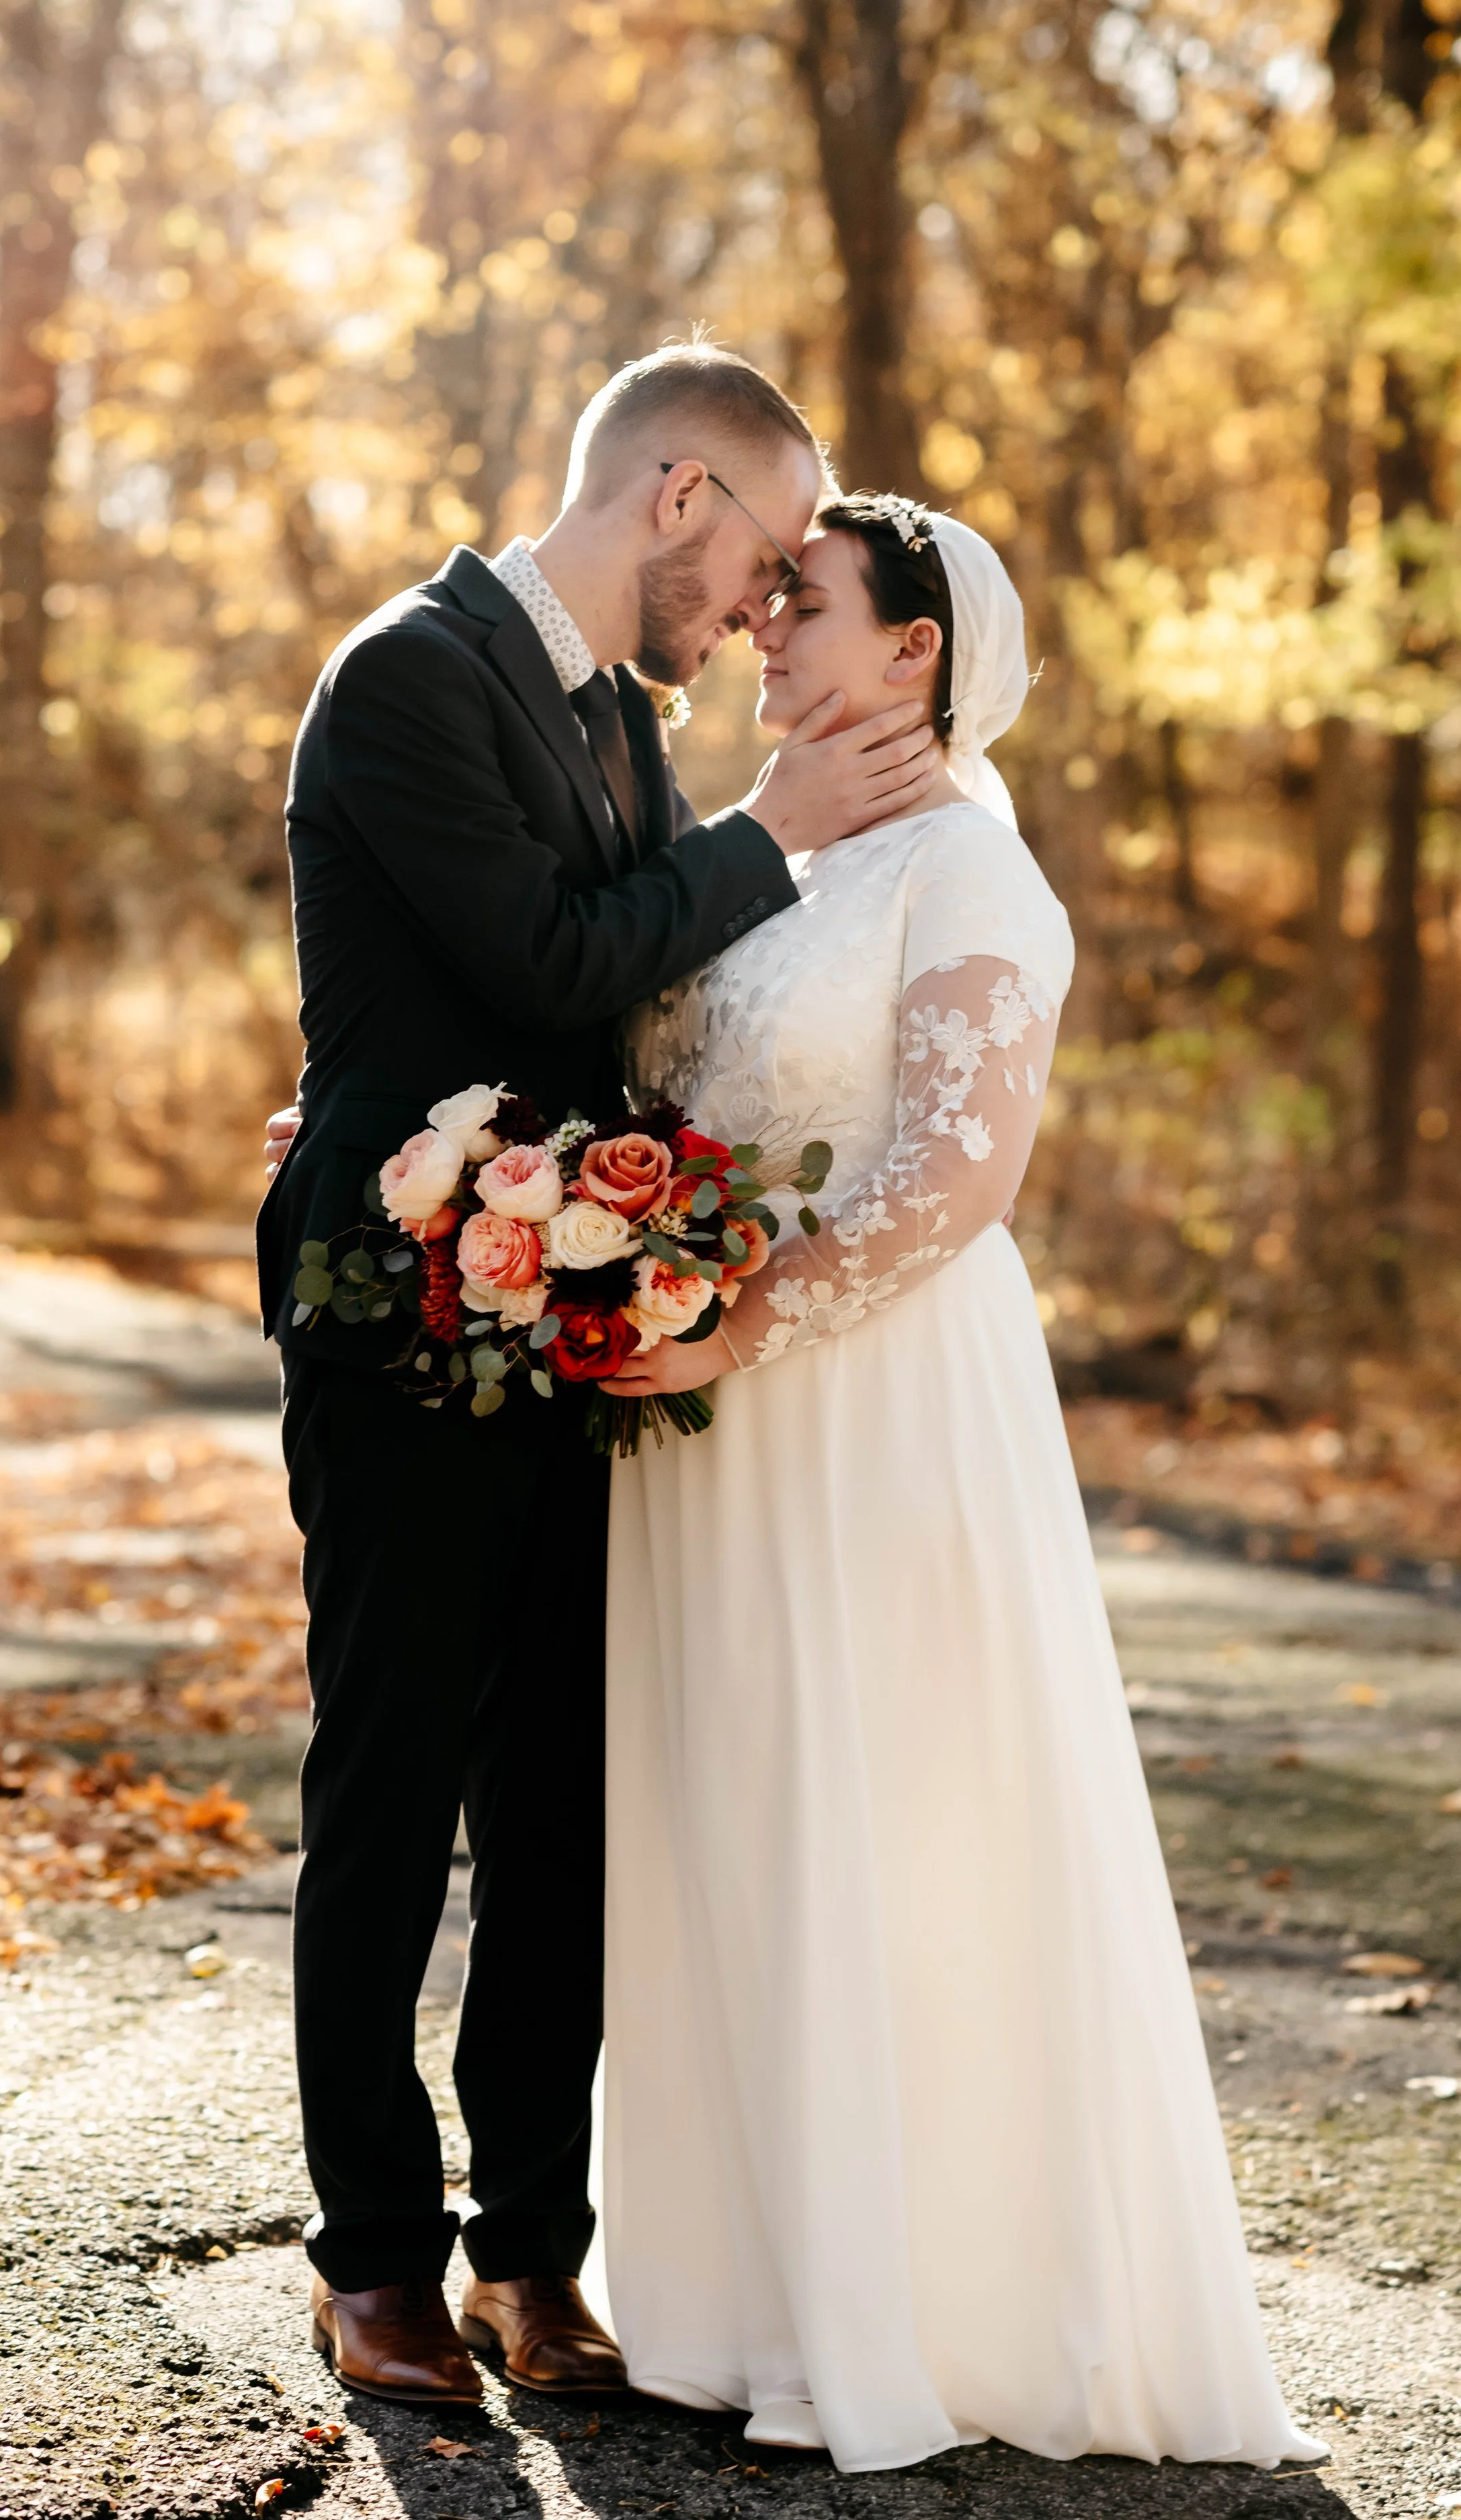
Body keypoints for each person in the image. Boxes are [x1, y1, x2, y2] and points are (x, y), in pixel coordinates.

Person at [593, 495, 1327, 2474]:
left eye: (803, 599)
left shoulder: (971, 874)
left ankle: (919, 2304)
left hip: (876, 1398)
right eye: (762, 592)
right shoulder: (749, 858)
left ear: (912, 650)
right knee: (731, 1804)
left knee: (889, 1806)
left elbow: (951, 1181)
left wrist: (741, 1321)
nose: (759, 619)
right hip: (704, 1422)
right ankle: (737, 2294)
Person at [255, 345, 946, 2409]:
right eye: (749, 558)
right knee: (389, 1780)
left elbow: (635, 1011)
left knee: (560, 1789)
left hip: (575, 1312)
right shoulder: (405, 675)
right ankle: (370, 2257)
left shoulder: (618, 725)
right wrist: (779, 828)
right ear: (673, 493)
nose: (751, 610)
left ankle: (525, 2259)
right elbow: (553, 964)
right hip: (395, 1304)